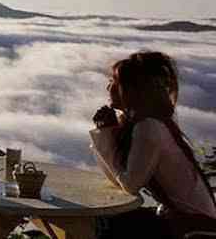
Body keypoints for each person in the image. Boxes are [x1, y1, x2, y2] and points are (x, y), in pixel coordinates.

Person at [90, 51, 216, 239]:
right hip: (182, 219)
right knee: (103, 220)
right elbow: (116, 178)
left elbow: (129, 185)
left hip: (196, 227)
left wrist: (107, 134)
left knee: (103, 224)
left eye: (114, 81)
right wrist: (108, 133)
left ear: (131, 90)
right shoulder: (146, 123)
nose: (108, 86)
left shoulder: (148, 127)